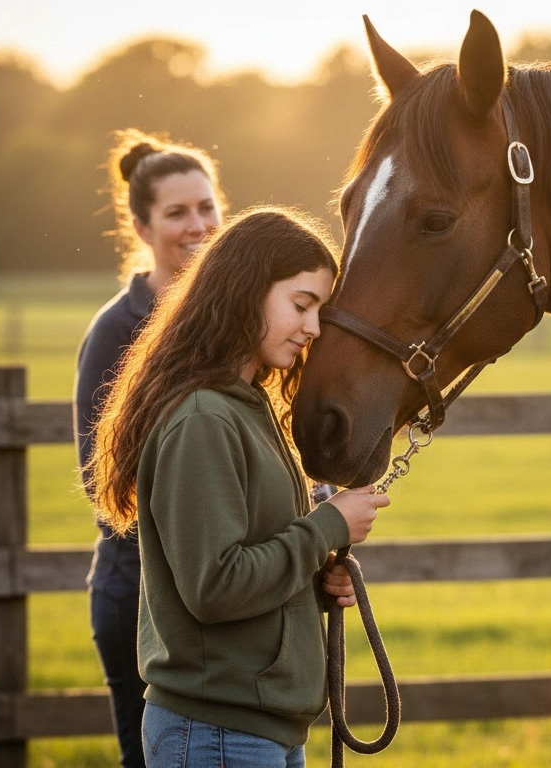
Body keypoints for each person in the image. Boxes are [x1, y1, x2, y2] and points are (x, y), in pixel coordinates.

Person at [84, 205, 390, 768]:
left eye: (319, 312)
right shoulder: (204, 419)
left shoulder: (247, 408)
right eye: (301, 305)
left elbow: (248, 561)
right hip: (217, 733)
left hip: (254, 728)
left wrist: (314, 585)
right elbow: (216, 587)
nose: (313, 328)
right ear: (247, 291)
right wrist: (327, 527)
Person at [73, 128, 225, 768]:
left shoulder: (235, 320)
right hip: (139, 595)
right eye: (177, 212)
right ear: (141, 227)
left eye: (207, 207)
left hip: (221, 592)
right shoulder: (116, 329)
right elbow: (102, 482)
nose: (198, 225)